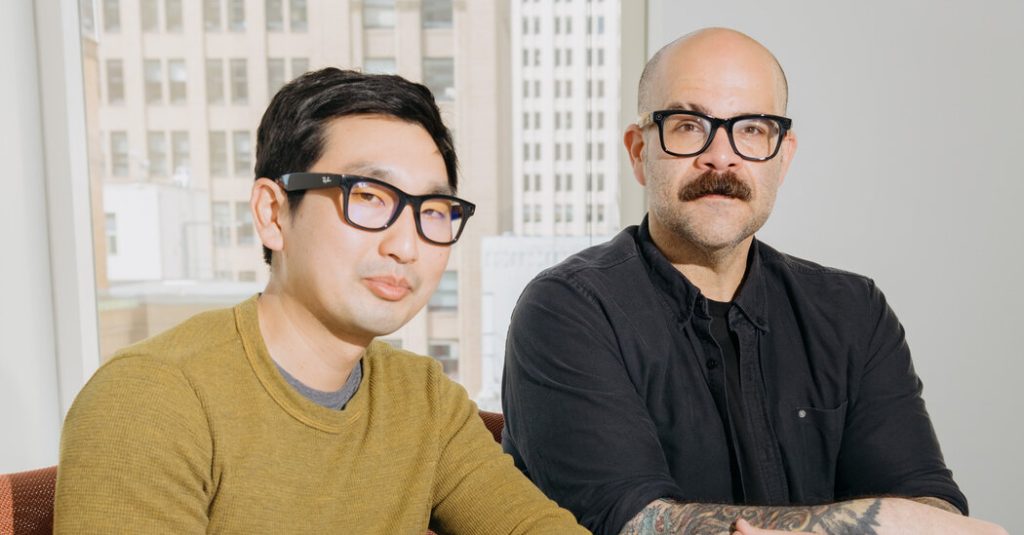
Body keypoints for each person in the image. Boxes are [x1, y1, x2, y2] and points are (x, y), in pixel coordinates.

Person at [501, 28, 1007, 535]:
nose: (721, 157)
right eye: (687, 125)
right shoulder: (568, 311)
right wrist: (883, 521)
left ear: (783, 157)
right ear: (638, 152)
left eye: (752, 129)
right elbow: (630, 522)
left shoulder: (855, 311)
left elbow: (930, 510)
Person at [55, 68, 586, 534]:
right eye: (368, 197)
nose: (406, 246)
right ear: (272, 213)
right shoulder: (151, 398)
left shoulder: (423, 400)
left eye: (433, 210)